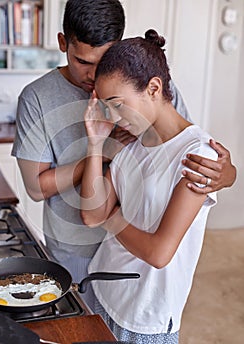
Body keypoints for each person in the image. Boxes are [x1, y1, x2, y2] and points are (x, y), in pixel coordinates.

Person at [11, 0, 236, 311]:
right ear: (63, 43)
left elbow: (185, 148)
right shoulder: (36, 98)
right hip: (73, 246)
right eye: (83, 61)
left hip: (135, 252)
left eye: (104, 62)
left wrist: (227, 174)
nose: (93, 75)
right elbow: (36, 188)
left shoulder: (144, 86)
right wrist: (103, 149)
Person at [80, 29, 221, 342]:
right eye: (106, 108)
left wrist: (111, 216)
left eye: (117, 104)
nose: (113, 117)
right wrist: (95, 142)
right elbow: (91, 215)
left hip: (144, 316)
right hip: (101, 288)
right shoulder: (131, 142)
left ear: (154, 88)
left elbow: (159, 252)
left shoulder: (198, 154)